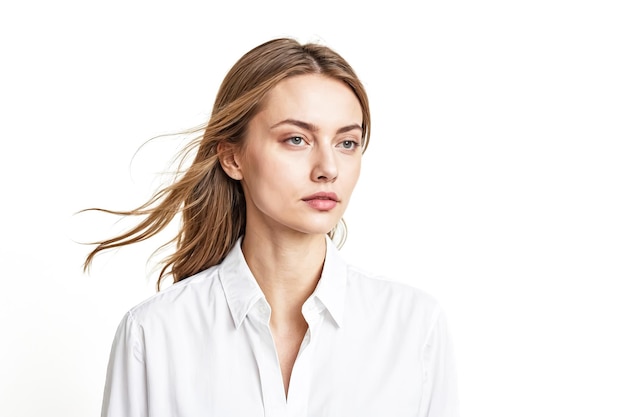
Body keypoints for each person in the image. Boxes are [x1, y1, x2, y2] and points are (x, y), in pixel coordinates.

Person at [82, 37, 460, 417]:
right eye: (296, 139)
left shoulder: (414, 327)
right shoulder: (154, 334)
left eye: (347, 143)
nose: (328, 168)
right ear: (232, 156)